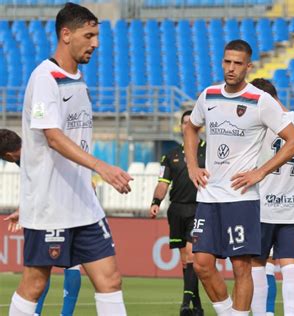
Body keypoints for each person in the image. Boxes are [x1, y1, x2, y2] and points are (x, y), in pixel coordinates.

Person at [9, 3, 133, 316]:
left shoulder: (76, 79)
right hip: (51, 206)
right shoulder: (45, 79)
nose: (96, 43)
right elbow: (52, 136)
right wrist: (101, 166)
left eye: (97, 35)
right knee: (35, 282)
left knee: (110, 279)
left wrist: (89, 179)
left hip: (83, 205)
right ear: (66, 34)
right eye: (88, 35)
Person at [183, 39, 294, 316]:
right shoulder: (209, 95)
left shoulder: (260, 101)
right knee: (200, 262)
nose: (231, 68)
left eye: (238, 64)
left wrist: (260, 172)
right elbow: (191, 128)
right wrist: (192, 166)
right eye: (227, 62)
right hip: (209, 195)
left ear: (248, 67)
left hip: (241, 198)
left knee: (241, 267)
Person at [249, 78, 294, 316]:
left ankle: (264, 314)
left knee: (258, 265)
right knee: (292, 264)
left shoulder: (259, 125)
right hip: (293, 206)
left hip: (263, 206)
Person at [1, 128, 82, 316]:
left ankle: (49, 313)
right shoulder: (31, 150)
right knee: (67, 263)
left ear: (8, 155)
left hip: (63, 207)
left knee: (44, 263)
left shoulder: (33, 156)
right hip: (71, 204)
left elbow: (45, 184)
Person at [149, 110, 205, 316]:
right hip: (177, 209)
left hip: (200, 208)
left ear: (199, 126)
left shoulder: (209, 152)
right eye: (184, 123)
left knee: (192, 255)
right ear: (180, 127)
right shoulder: (170, 155)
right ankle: (197, 306)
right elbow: (163, 183)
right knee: (185, 260)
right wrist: (156, 201)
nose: (187, 125)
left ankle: (184, 305)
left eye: (192, 122)